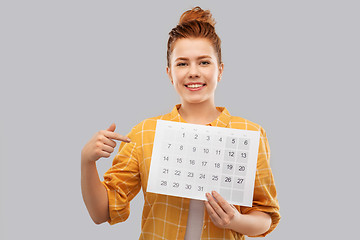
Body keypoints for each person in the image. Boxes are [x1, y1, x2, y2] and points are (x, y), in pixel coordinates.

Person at [81, 6, 280, 240]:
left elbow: (265, 216)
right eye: (182, 63)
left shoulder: (249, 134)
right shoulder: (145, 133)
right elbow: (101, 212)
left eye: (204, 62)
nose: (193, 72)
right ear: (169, 72)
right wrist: (87, 162)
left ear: (220, 70)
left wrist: (235, 220)